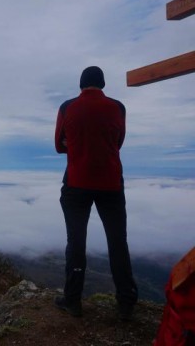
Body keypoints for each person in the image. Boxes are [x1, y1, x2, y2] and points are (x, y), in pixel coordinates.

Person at [53, 66, 138, 319]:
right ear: (102, 84)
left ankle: (73, 301)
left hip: (77, 183)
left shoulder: (67, 107)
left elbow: (59, 145)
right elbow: (118, 141)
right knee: (117, 242)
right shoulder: (118, 107)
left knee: (76, 242)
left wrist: (76, 143)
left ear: (81, 85)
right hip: (111, 183)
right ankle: (125, 303)